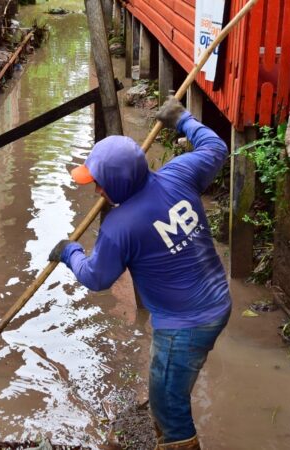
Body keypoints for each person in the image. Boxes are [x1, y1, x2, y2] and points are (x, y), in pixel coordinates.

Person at [48, 98, 231, 450]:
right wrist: (183, 120)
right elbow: (215, 146)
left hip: (184, 325)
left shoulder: (121, 227)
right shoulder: (179, 174)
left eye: (100, 183)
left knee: (168, 407)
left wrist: (69, 252)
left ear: (116, 183)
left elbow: (96, 278)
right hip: (217, 299)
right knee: (171, 387)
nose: (97, 191)